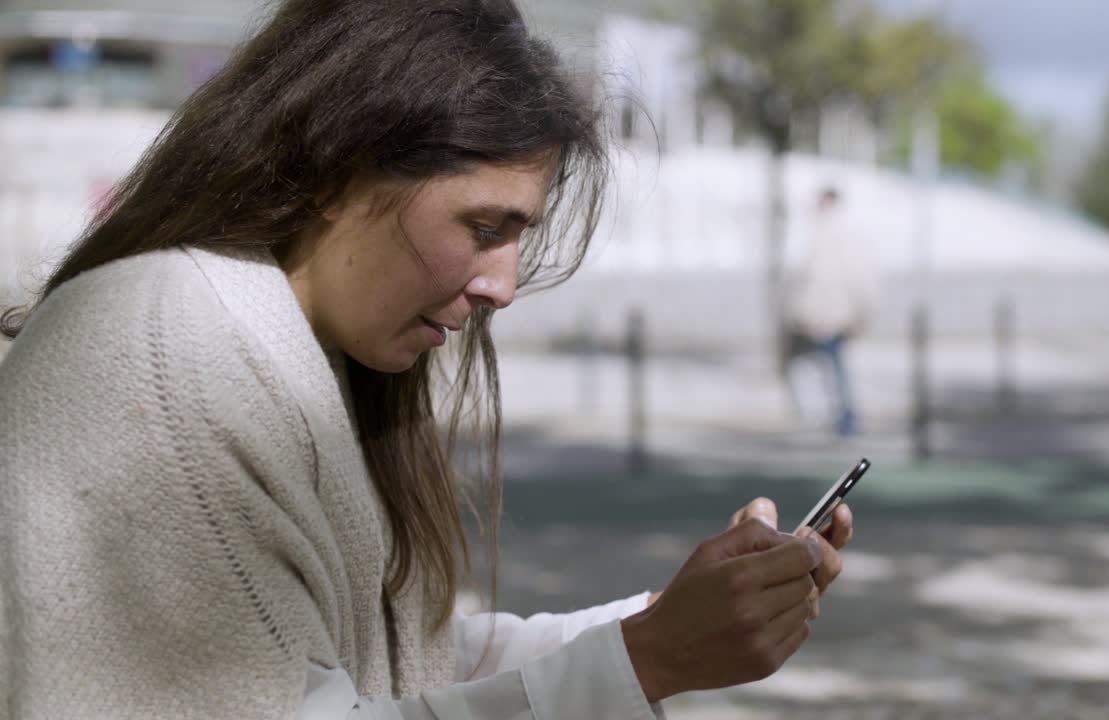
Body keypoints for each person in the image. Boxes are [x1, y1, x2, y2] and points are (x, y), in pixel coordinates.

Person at [0, 1, 855, 718]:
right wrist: (647, 658)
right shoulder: (167, 347)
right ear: (336, 170)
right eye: (483, 228)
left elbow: (402, 660)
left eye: (517, 237)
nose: (503, 287)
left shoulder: (305, 354)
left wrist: (666, 623)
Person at [782, 186, 877, 437]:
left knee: (829, 365)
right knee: (829, 365)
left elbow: (830, 278)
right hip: (828, 314)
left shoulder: (828, 234)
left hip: (828, 314)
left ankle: (840, 416)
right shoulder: (828, 232)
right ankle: (839, 415)